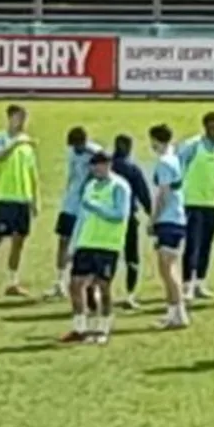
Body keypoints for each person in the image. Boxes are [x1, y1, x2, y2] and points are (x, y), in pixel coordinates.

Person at [59, 152, 130, 345]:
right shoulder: (90, 186)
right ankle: (79, 328)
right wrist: (73, 246)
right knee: (75, 284)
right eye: (94, 166)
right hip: (86, 243)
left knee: (103, 286)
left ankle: (102, 329)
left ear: (109, 165)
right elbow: (81, 217)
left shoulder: (119, 186)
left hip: (107, 244)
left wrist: (96, 207)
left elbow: (119, 215)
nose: (97, 169)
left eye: (101, 165)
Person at [0, 104, 39, 299]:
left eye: (24, 118)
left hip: (22, 200)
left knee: (18, 241)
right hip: (4, 198)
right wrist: (17, 144)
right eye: (18, 117)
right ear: (10, 118)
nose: (22, 122)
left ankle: (13, 282)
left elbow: (32, 173)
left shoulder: (27, 145)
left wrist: (34, 200)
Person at [176, 112, 214, 300]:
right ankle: (186, 285)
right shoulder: (192, 146)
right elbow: (179, 168)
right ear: (205, 127)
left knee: (207, 244)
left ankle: (200, 282)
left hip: (213, 202)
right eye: (210, 126)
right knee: (193, 244)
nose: (213, 130)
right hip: (192, 202)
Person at [47, 127, 104, 300]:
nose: (76, 149)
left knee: (87, 246)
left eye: (79, 146)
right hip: (69, 204)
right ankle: (59, 281)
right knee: (63, 241)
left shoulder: (95, 153)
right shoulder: (72, 153)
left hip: (87, 207)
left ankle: (91, 286)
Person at [147, 125, 189, 329]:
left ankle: (178, 313)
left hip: (168, 219)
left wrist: (153, 219)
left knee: (168, 268)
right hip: (178, 218)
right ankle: (174, 312)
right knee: (170, 267)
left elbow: (162, 194)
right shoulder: (175, 158)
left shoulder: (164, 162)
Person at [111, 135, 153, 311]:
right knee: (132, 257)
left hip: (108, 220)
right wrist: (152, 215)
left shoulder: (107, 166)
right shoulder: (133, 169)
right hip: (128, 218)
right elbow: (144, 194)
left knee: (108, 256)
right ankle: (129, 295)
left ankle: (99, 293)